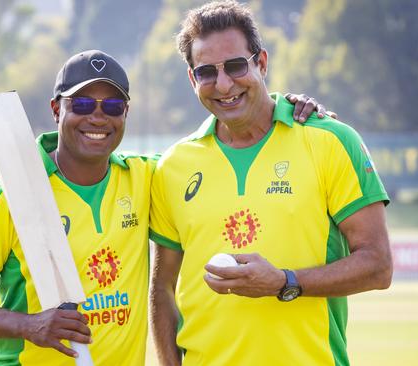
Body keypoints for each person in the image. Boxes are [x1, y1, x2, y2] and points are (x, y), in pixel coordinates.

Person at [0, 49, 327, 365]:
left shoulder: (146, 178)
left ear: (125, 113)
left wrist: (283, 106)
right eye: (82, 103)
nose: (97, 116)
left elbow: (212, 156)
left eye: (112, 105)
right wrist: (30, 325)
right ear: (57, 109)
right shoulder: (6, 197)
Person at [149, 2, 392, 366]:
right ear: (192, 79)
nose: (224, 84)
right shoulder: (172, 166)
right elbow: (162, 289)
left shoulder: (331, 141)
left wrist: (284, 281)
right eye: (206, 72)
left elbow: (378, 265)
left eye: (235, 65)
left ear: (261, 63)